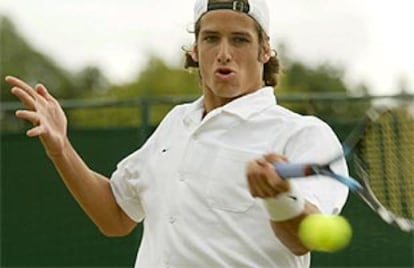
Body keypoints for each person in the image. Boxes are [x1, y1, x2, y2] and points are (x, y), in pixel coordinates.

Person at [6, 0, 349, 267]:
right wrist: (61, 148)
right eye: (211, 38)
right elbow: (115, 216)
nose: (224, 53)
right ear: (195, 51)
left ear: (265, 50)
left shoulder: (303, 134)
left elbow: (303, 237)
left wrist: (279, 197)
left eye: (240, 39)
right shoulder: (176, 123)